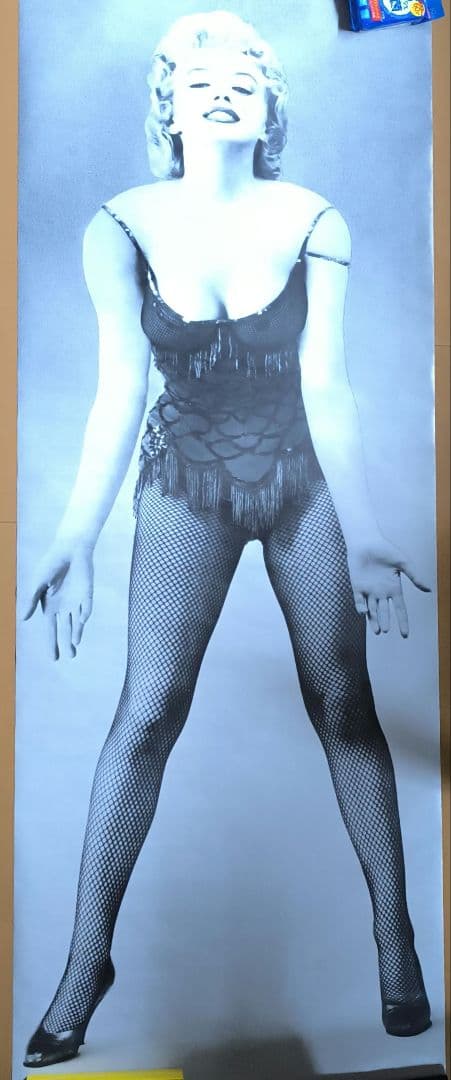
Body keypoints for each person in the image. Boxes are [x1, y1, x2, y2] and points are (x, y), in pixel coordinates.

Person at [23, 10, 432, 1068]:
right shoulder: (120, 225)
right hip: (185, 483)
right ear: (169, 104)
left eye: (245, 78)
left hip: (303, 483)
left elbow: (328, 387)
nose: (222, 88)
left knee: (341, 702)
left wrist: (370, 534)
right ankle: (85, 963)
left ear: (269, 109)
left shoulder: (312, 217)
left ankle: (394, 937)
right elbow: (118, 391)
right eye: (200, 77)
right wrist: (75, 537)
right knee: (146, 710)